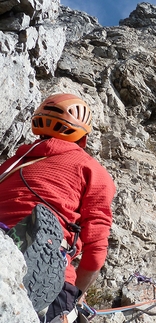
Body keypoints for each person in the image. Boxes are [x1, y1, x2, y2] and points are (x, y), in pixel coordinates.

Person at [0, 93, 116, 322]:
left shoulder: (11, 163)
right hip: (53, 277)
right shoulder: (91, 170)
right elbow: (96, 250)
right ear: (83, 137)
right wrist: (77, 296)